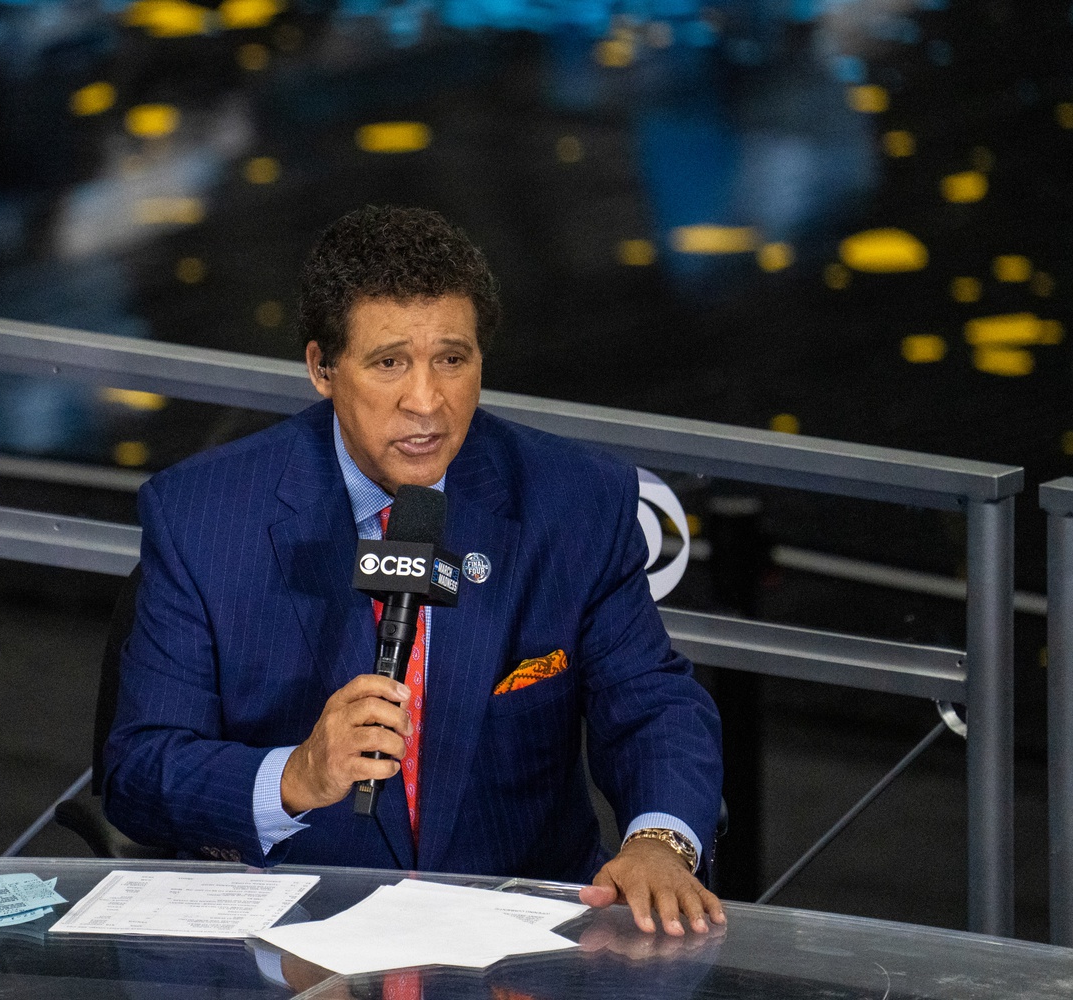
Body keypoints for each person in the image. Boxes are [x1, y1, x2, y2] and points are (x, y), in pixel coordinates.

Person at [104, 205, 725, 936]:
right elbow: (140, 772)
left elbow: (653, 702)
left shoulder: (576, 502)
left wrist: (660, 841)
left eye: (452, 360)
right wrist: (296, 777)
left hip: (515, 943)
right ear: (322, 369)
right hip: (289, 942)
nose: (427, 402)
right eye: (389, 362)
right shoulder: (203, 517)